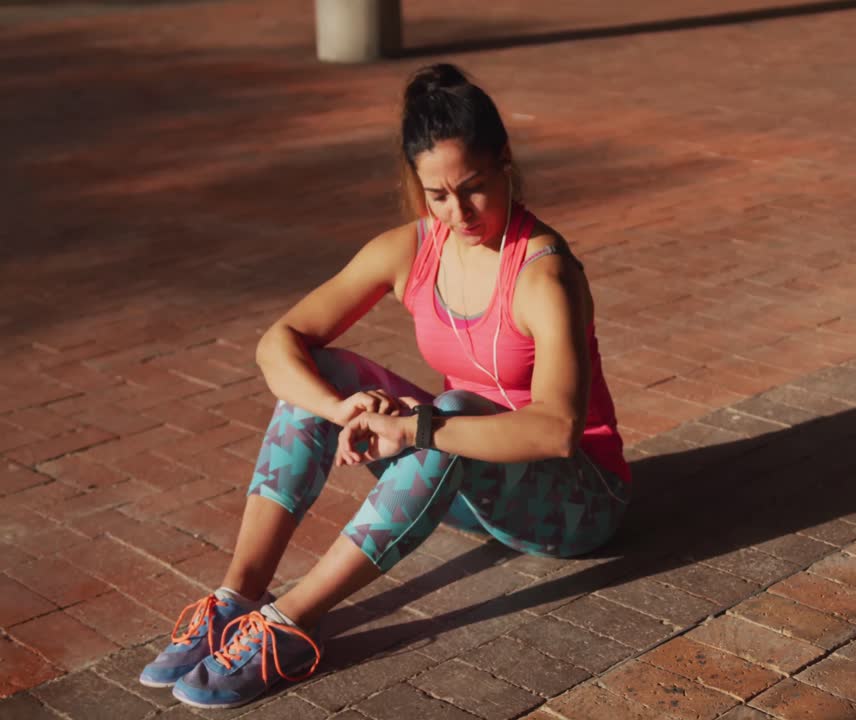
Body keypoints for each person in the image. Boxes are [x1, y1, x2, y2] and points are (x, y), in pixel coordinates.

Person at [138, 63, 631, 710]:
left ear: (505, 164)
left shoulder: (545, 275)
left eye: (475, 188)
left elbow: (556, 430)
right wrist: (339, 408)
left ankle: (289, 626)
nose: (458, 211)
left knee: (448, 411)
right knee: (327, 371)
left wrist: (413, 426)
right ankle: (235, 600)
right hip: (467, 474)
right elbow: (277, 341)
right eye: (438, 195)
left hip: (576, 504)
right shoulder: (410, 250)